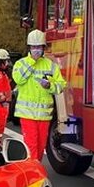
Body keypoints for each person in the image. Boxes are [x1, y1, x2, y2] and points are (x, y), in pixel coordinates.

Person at [12, 30, 65, 161]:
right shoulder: (21, 63)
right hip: (27, 115)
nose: (36, 50)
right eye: (34, 47)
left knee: (41, 147)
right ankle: (34, 175)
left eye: (39, 47)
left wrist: (50, 86)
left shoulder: (51, 66)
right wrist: (32, 62)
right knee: (31, 147)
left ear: (43, 48)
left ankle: (36, 171)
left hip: (44, 116)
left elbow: (61, 85)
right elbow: (19, 79)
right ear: (29, 47)